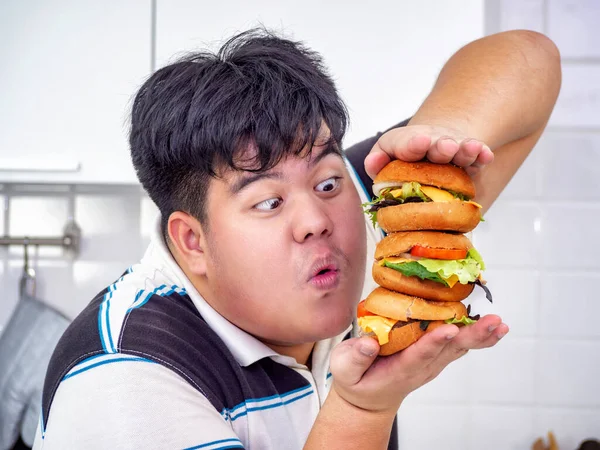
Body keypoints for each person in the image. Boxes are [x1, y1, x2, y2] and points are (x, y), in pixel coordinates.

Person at [33, 28, 560, 450]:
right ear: (192, 242)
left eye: (328, 181)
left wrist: (444, 130)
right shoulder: (127, 381)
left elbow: (530, 59)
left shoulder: (358, 205)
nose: (317, 219)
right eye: (268, 202)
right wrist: (361, 410)